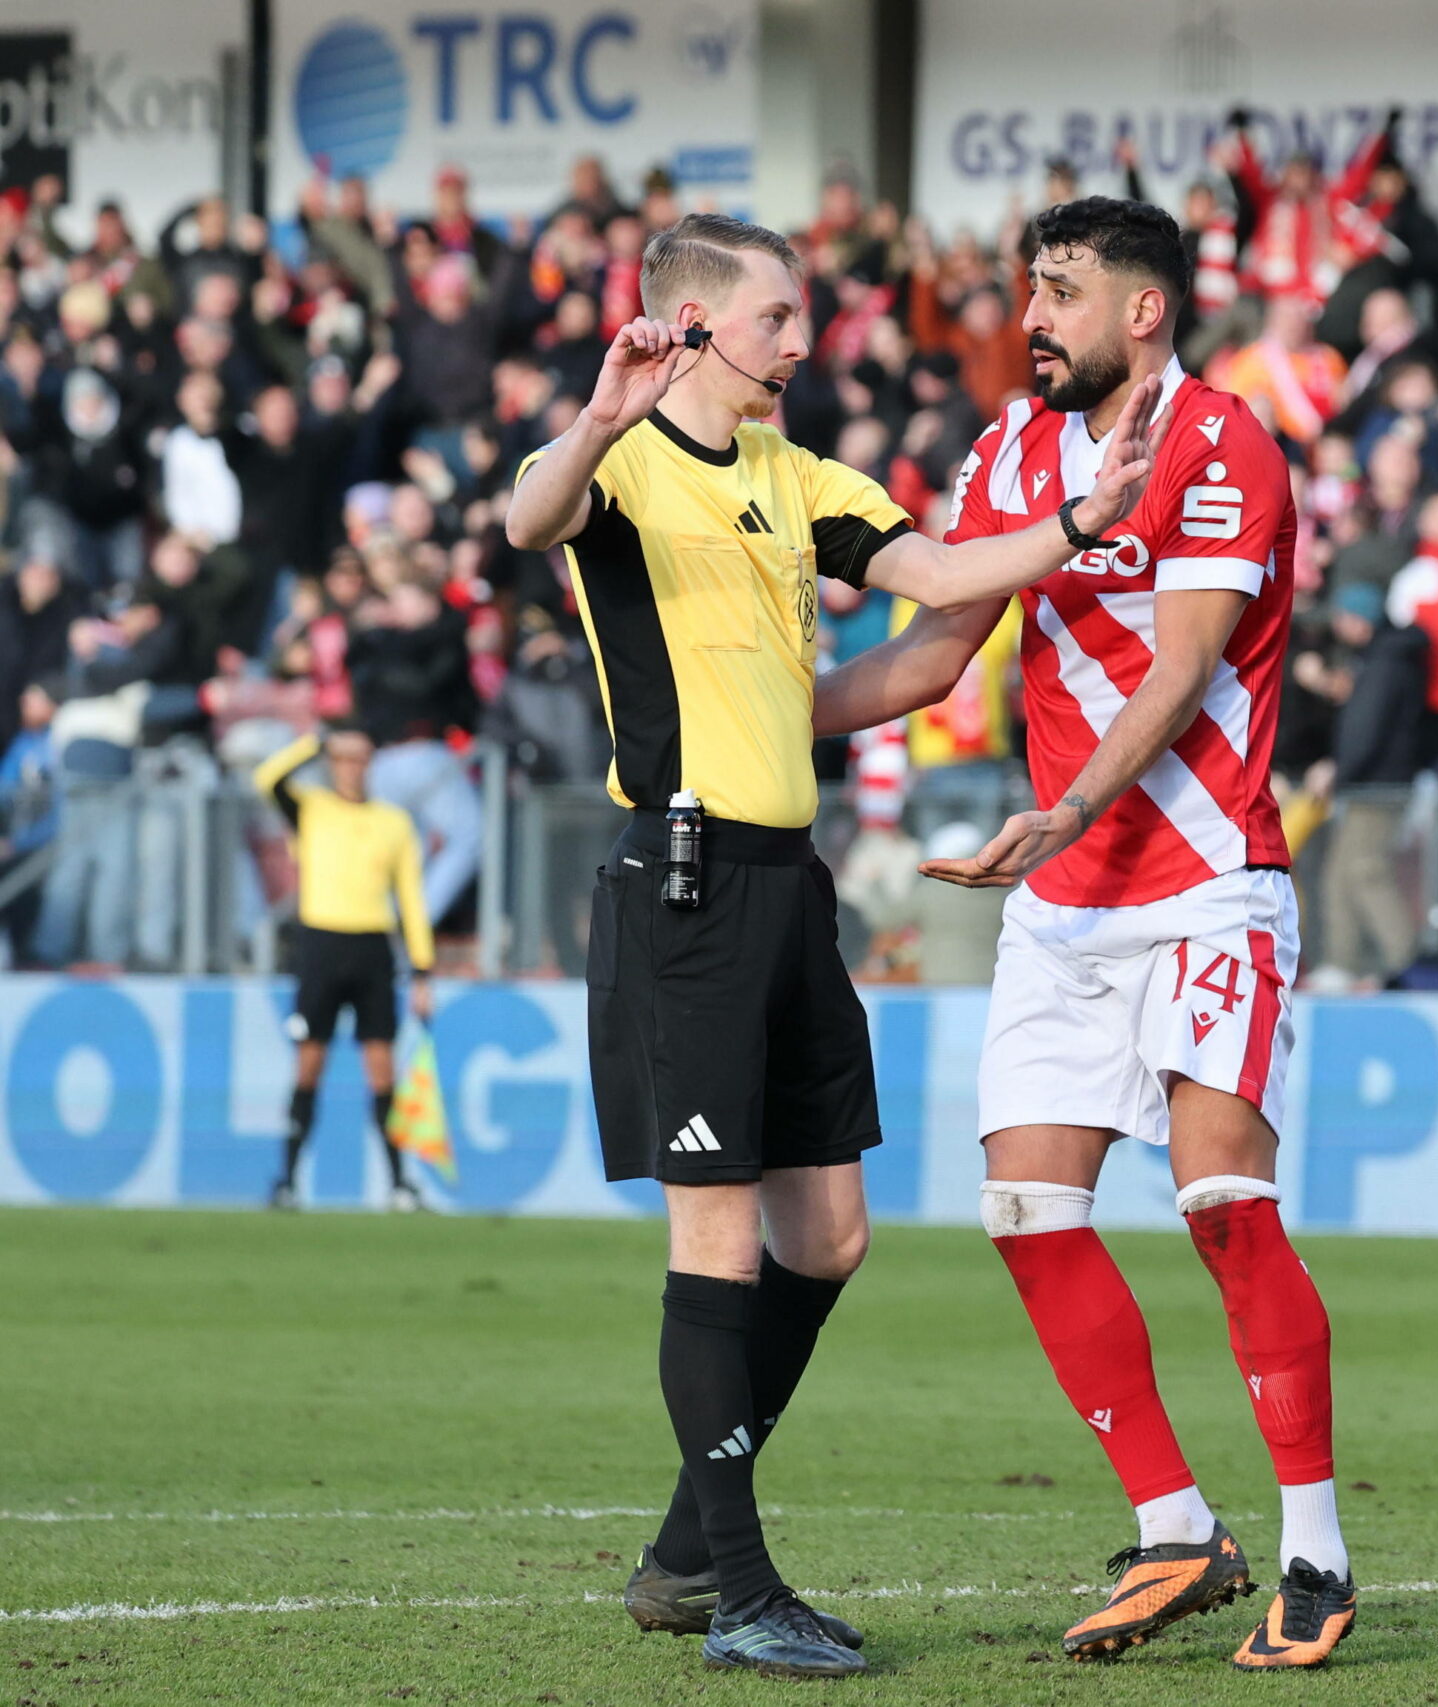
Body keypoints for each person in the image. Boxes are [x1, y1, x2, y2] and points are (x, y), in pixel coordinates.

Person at [507, 212, 1166, 1680]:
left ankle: (688, 1545)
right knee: (722, 1240)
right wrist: (597, 412)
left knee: (831, 1235)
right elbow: (524, 521)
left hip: (786, 888)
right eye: (779, 318)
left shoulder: (800, 475)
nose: (805, 342)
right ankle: (738, 1587)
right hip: (679, 890)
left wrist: (1073, 522)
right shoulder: (616, 462)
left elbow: (934, 576)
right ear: (691, 329)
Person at [902, 196, 1357, 1669]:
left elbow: (1184, 662)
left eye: (1061, 291)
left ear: (1144, 309)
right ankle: (1176, 1526)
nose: (1030, 317)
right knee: (1025, 1212)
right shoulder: (1008, 456)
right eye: (1030, 289)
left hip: (1208, 876)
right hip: (1065, 903)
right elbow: (928, 649)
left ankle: (1315, 1550)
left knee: (1223, 1200)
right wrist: (744, 717)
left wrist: (1067, 802)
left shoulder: (1225, 443)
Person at [254, 724, 436, 1211]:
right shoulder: (312, 809)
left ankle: (398, 1185)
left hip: (373, 947)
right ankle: (287, 1181)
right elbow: (267, 779)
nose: (352, 767)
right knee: (309, 1063)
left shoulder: (392, 822)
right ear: (331, 761)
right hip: (321, 945)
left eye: (360, 758)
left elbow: (411, 901)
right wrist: (313, 741)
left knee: (382, 1070)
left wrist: (422, 970)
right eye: (343, 757)